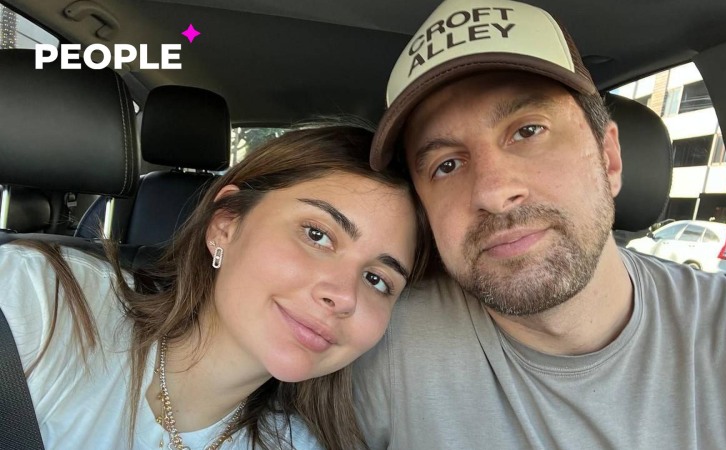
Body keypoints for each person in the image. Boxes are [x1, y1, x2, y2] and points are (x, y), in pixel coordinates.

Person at [354, 0, 726, 448]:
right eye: (446, 165)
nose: (491, 192)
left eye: (528, 131)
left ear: (608, 158)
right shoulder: (372, 344)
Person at [0, 124, 430, 449]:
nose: (344, 295)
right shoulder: (39, 304)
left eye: (377, 279)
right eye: (317, 234)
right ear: (226, 224)